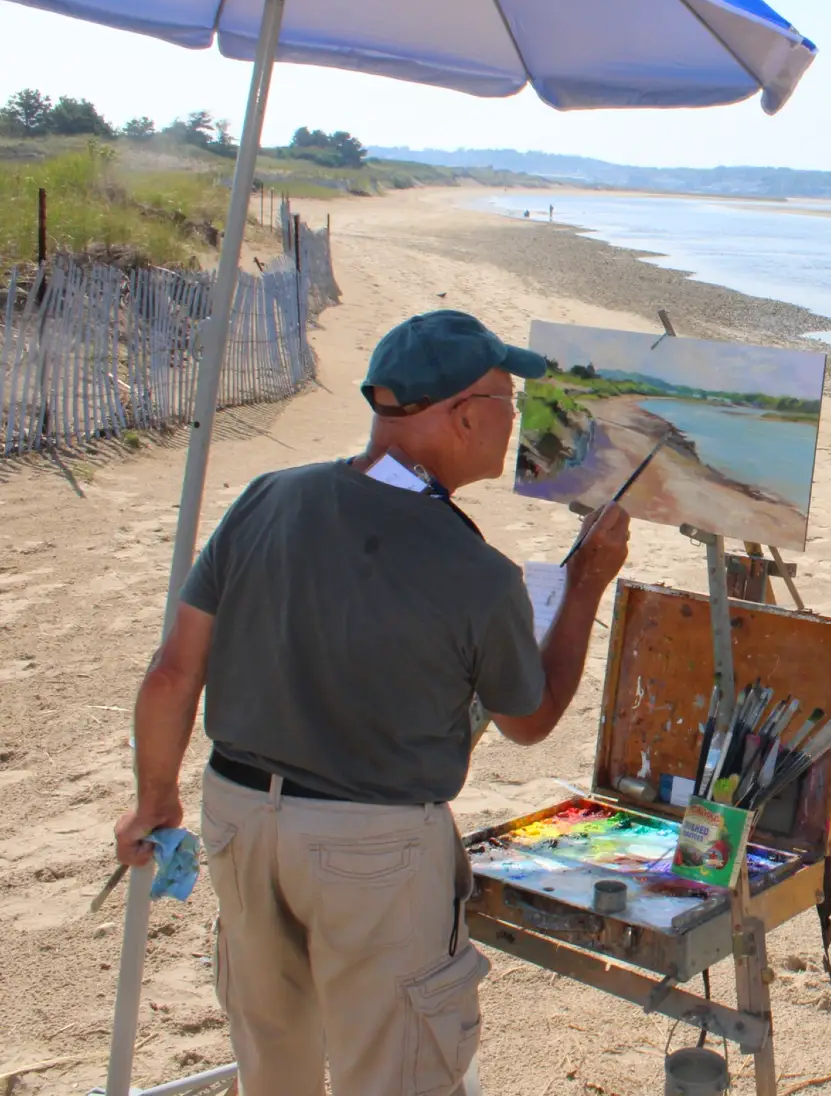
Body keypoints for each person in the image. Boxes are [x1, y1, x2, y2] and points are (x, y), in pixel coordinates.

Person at [114, 310, 630, 1096]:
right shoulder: (476, 573)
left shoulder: (267, 499)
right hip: (374, 849)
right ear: (463, 417)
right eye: (507, 399)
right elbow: (531, 721)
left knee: (273, 1065)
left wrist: (154, 797)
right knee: (392, 1073)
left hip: (238, 818)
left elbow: (173, 673)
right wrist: (588, 583)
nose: (518, 418)